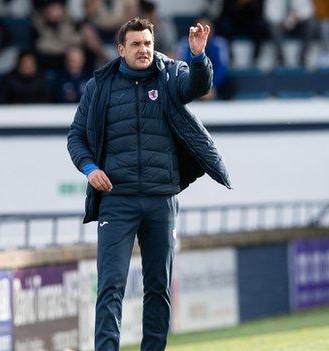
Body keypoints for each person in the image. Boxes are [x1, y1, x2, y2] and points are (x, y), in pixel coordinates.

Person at [67, 18, 231, 350]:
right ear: (121, 49)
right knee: (110, 286)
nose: (144, 50)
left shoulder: (171, 75)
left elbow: (197, 87)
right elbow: (76, 137)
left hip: (161, 199)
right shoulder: (100, 86)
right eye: (137, 44)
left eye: (148, 43)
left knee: (158, 287)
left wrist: (198, 56)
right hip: (117, 199)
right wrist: (89, 168)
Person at [177, 17, 231, 99]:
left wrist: (212, 87)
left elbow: (221, 67)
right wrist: (195, 87)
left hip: (214, 83)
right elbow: (183, 65)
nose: (202, 32)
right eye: (199, 29)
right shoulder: (185, 43)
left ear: (212, 30)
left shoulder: (219, 43)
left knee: (229, 82)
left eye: (206, 29)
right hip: (192, 82)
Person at [264, 0, 315, 67]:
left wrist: (295, 17)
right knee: (273, 27)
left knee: (311, 24)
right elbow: (269, 13)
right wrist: (283, 20)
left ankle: (302, 56)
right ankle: (281, 58)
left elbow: (309, 11)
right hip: (280, 23)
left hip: (298, 22)